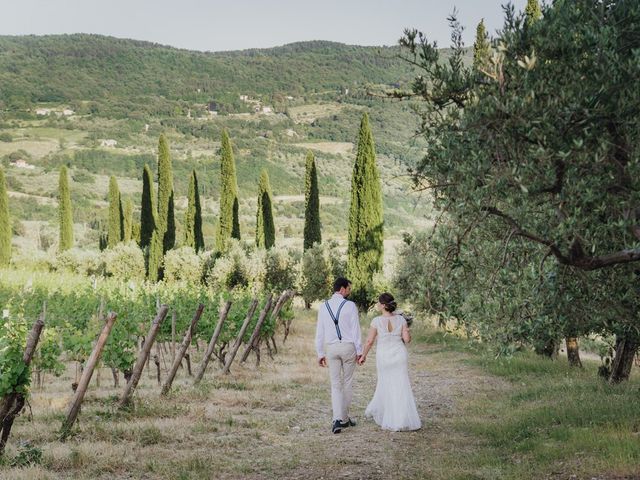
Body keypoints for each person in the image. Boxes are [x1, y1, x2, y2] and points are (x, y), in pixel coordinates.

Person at [359, 292, 421, 431]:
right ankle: (401, 418)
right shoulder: (401, 320)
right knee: (401, 385)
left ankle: (390, 417)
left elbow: (369, 341)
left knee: (386, 384)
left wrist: (363, 355)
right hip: (399, 355)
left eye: (378, 302)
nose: (377, 305)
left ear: (382, 305)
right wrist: (406, 329)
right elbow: (407, 340)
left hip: (384, 356)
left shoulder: (376, 321)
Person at [315, 277, 363, 434]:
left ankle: (337, 419)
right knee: (347, 382)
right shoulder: (350, 306)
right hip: (348, 347)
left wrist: (320, 353)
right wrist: (360, 350)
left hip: (332, 349)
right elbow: (356, 330)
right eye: (348, 289)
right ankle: (344, 418)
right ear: (342, 289)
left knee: (335, 385)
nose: (349, 291)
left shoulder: (324, 306)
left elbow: (319, 332)